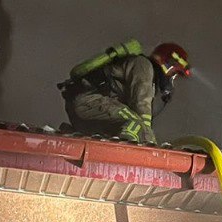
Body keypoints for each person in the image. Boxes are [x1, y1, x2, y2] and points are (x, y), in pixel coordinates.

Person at [57, 40, 191, 144]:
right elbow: (141, 103)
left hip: (86, 110)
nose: (172, 78)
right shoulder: (143, 65)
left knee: (128, 127)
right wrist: (150, 144)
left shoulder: (146, 71)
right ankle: (127, 153)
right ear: (167, 62)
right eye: (174, 73)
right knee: (137, 124)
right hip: (91, 101)